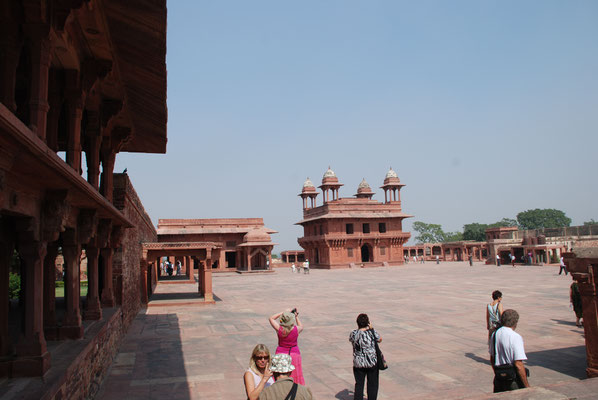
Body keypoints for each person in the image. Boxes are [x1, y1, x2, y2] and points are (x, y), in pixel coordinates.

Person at [489, 309, 530, 393]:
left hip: (499, 378)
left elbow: (492, 358)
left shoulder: (495, 334)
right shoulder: (515, 337)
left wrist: (498, 372)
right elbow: (518, 364)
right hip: (512, 380)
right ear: (515, 322)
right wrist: (527, 386)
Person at [350, 313, 381, 400]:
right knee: (372, 384)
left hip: (358, 363)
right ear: (368, 323)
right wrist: (371, 328)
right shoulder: (371, 333)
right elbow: (380, 339)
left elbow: (351, 339)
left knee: (359, 384)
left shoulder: (353, 334)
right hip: (371, 362)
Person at [269, 309, 304, 385]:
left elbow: (271, 318)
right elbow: (301, 326)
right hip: (294, 354)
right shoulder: (296, 330)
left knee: (280, 373)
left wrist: (283, 312)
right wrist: (296, 316)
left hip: (281, 353)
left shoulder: (280, 329)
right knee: (295, 374)